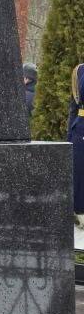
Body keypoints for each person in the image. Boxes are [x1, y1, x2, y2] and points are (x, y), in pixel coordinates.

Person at [69, 64, 84, 214]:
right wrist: (69, 136)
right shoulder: (80, 70)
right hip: (80, 129)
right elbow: (73, 106)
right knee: (79, 172)